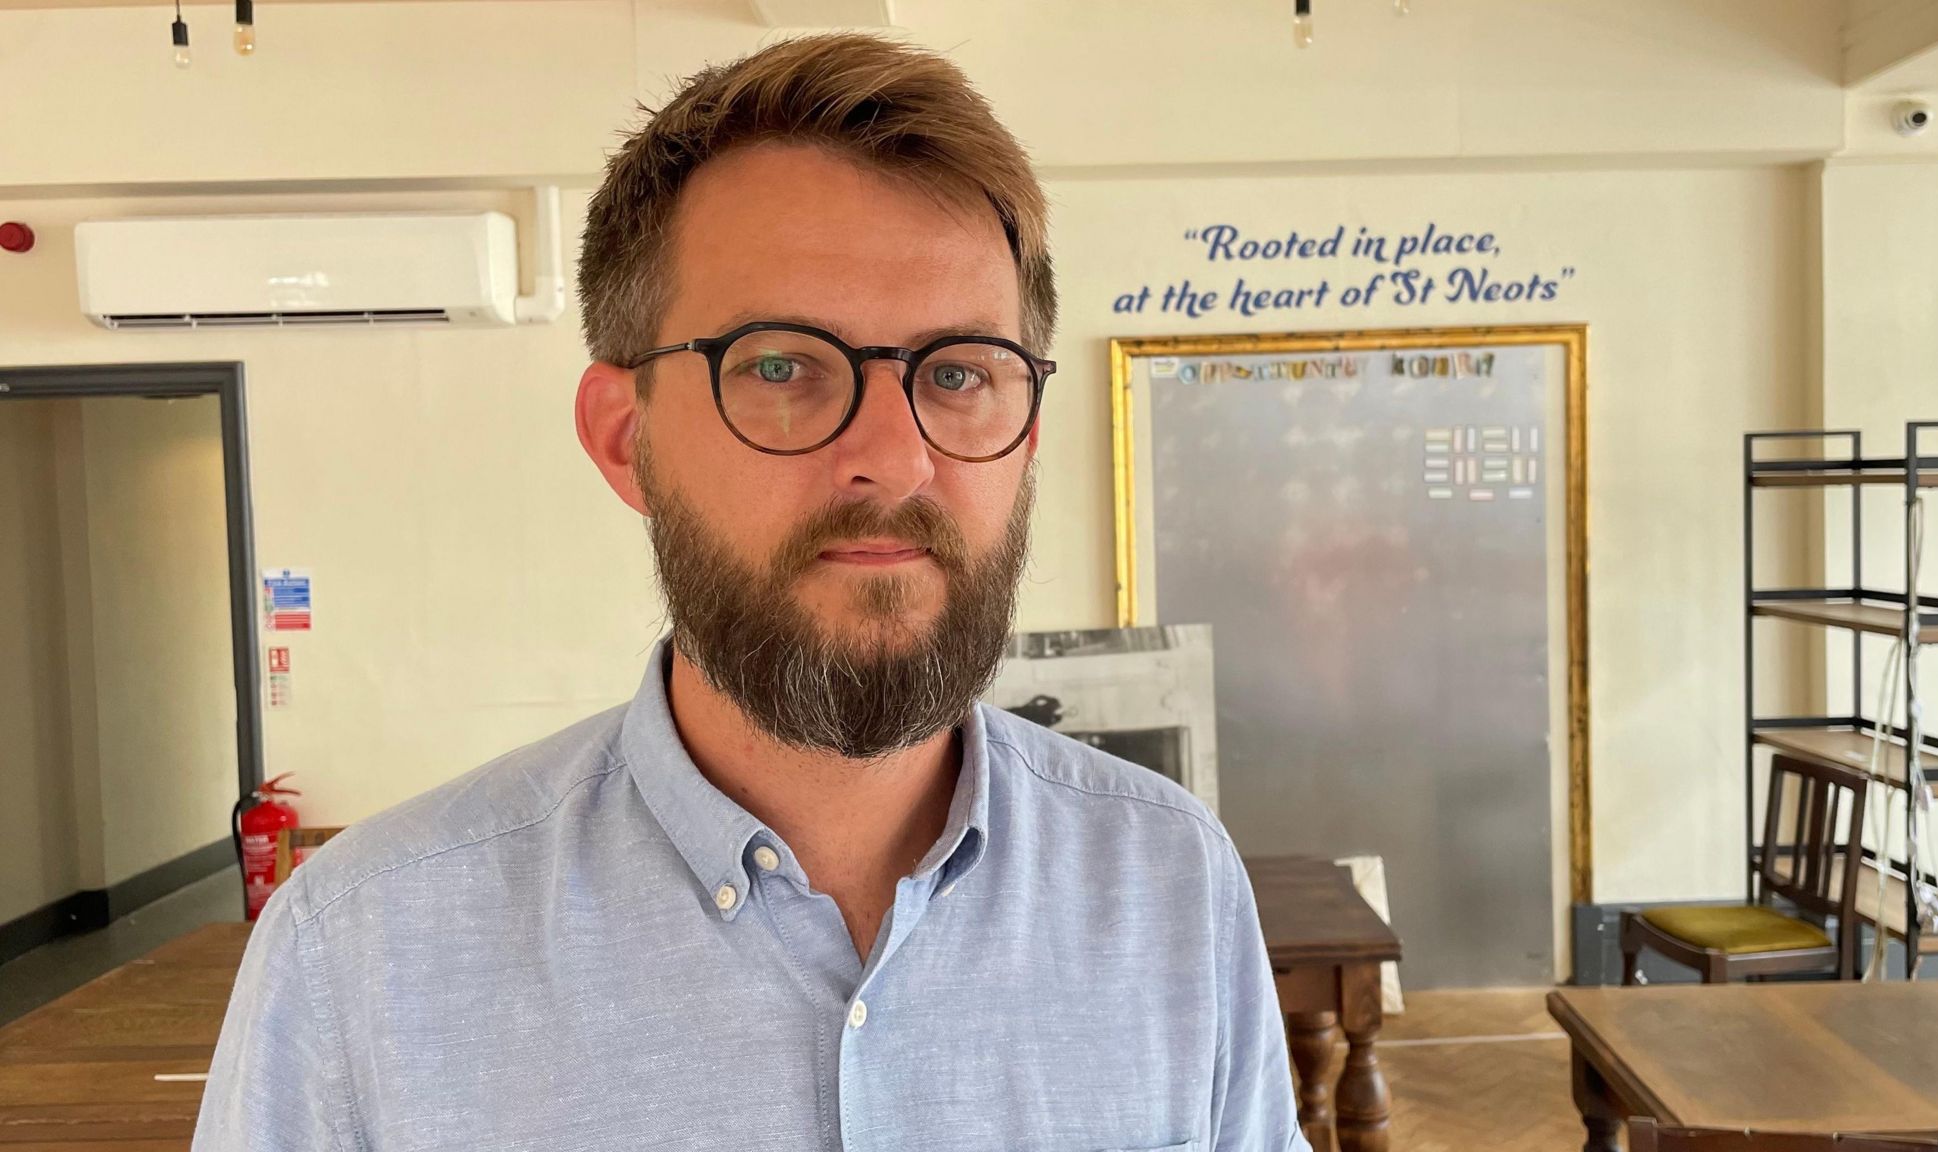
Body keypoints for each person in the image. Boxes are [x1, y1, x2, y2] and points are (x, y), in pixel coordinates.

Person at [194, 32, 1308, 1152]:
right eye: (781, 367)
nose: (895, 459)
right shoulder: (361, 958)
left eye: (959, 372)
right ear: (626, 440)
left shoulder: (1167, 880)